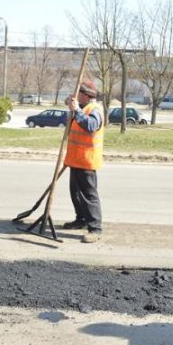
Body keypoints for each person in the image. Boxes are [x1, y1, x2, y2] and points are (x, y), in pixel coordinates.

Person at [63, 80, 104, 243]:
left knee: (88, 195)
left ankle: (95, 228)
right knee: (76, 193)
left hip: (86, 160)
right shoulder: (83, 107)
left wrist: (77, 110)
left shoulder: (94, 110)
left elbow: (91, 126)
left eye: (79, 93)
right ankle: (81, 219)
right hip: (75, 159)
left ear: (86, 96)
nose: (76, 96)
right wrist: (72, 108)